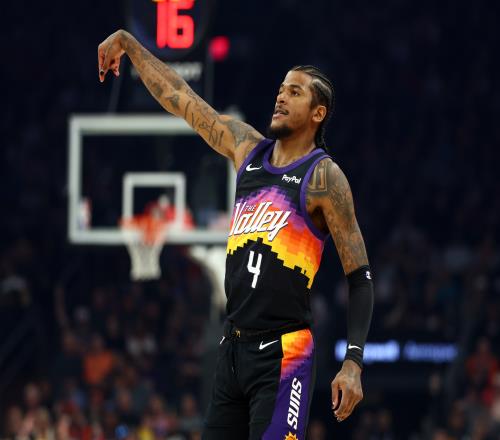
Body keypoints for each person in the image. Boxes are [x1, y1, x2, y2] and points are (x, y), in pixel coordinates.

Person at [98, 29, 374, 439]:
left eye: (294, 92)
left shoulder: (323, 177)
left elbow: (360, 277)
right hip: (232, 349)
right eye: (280, 89)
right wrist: (130, 45)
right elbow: (182, 98)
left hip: (284, 352)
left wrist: (353, 361)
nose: (280, 97)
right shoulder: (248, 149)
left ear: (318, 113)